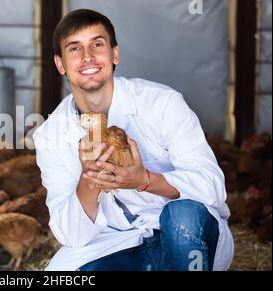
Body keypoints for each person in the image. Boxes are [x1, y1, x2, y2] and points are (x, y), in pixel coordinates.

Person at [33, 9, 234, 271]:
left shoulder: (162, 103)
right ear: (60, 64)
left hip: (185, 235)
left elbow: (213, 187)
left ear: (115, 53)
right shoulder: (51, 135)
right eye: (74, 49)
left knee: (182, 215)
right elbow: (70, 235)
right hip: (118, 241)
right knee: (61, 273)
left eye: (97, 44)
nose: (87, 57)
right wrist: (90, 180)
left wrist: (144, 180)